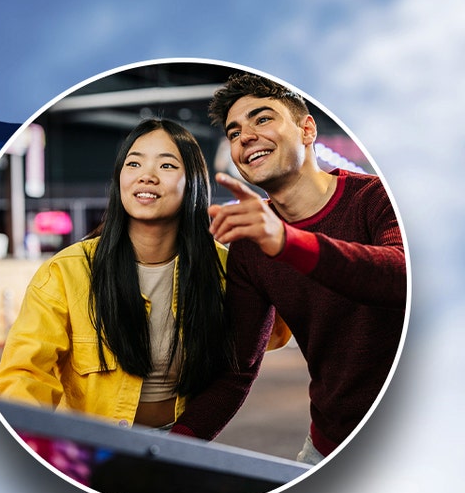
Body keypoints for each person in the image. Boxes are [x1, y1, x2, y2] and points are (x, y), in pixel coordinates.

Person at [171, 73, 407, 465]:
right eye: (234, 132)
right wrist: (169, 448)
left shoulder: (379, 198)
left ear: (307, 128)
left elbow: (401, 278)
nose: (245, 136)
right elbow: (237, 371)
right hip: (329, 445)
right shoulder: (250, 244)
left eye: (262, 119)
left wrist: (286, 241)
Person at [0, 119, 236, 428]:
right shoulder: (67, 271)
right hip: (90, 449)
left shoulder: (223, 268)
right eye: (133, 163)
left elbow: (274, 333)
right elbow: (23, 376)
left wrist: (270, 243)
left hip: (185, 444)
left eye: (167, 166)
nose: (146, 176)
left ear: (193, 182)